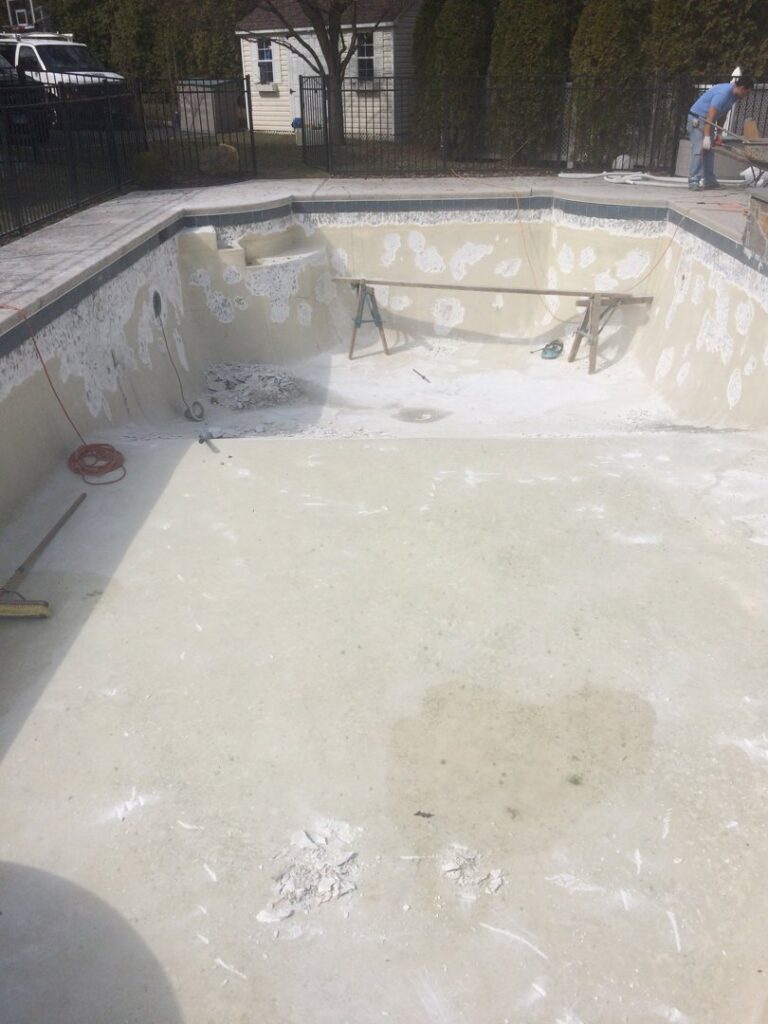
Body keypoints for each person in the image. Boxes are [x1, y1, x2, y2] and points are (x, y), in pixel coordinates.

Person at [688, 75, 754, 189]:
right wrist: (707, 137)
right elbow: (711, 114)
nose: (746, 96)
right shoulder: (723, 93)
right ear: (742, 88)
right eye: (746, 93)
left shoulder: (734, 96)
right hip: (698, 120)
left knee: (709, 151)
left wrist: (719, 134)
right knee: (698, 150)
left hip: (708, 121)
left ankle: (709, 180)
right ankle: (693, 180)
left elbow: (722, 115)